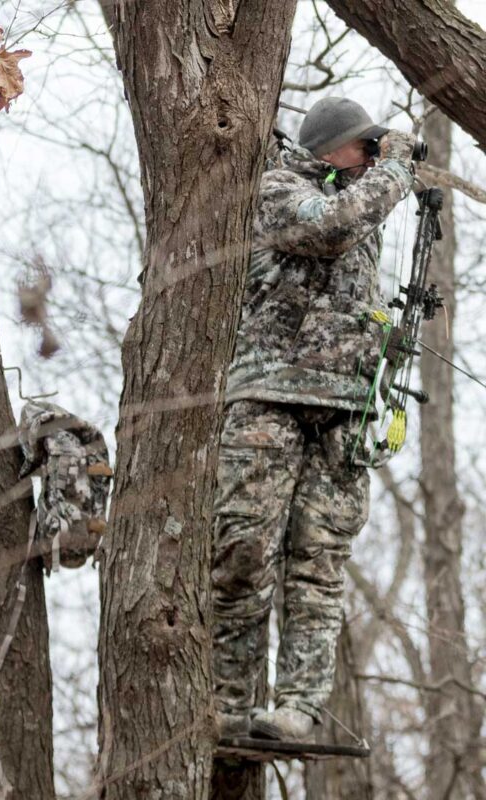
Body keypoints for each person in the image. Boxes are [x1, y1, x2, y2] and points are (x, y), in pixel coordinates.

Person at [212, 97, 416, 741]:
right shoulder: (279, 187)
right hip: (268, 397)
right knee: (243, 549)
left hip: (344, 409)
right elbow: (328, 229)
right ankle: (227, 704)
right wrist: (396, 170)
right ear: (334, 147)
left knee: (319, 561)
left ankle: (298, 708)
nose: (373, 158)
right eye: (365, 147)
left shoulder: (359, 195)